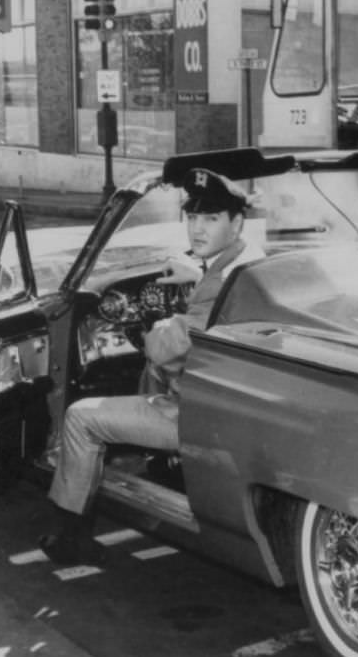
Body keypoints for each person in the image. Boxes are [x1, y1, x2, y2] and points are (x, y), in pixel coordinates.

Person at [38, 168, 264, 566]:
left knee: (79, 417)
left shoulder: (218, 283)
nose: (197, 229)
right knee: (153, 378)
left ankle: (69, 535)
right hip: (228, 401)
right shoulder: (248, 264)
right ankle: (156, 468)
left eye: (211, 219)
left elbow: (164, 349)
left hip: (195, 417)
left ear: (237, 222)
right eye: (192, 217)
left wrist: (149, 326)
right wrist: (197, 277)